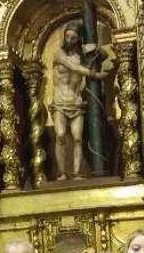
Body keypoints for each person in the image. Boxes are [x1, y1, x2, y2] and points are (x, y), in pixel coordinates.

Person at [49, 22, 109, 180]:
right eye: (67, 36)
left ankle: (76, 173)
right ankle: (62, 172)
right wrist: (95, 75)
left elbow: (103, 55)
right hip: (60, 101)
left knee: (77, 138)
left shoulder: (81, 56)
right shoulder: (58, 54)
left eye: (73, 37)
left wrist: (95, 47)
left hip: (76, 101)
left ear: (78, 39)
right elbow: (73, 67)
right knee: (60, 135)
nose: (69, 40)